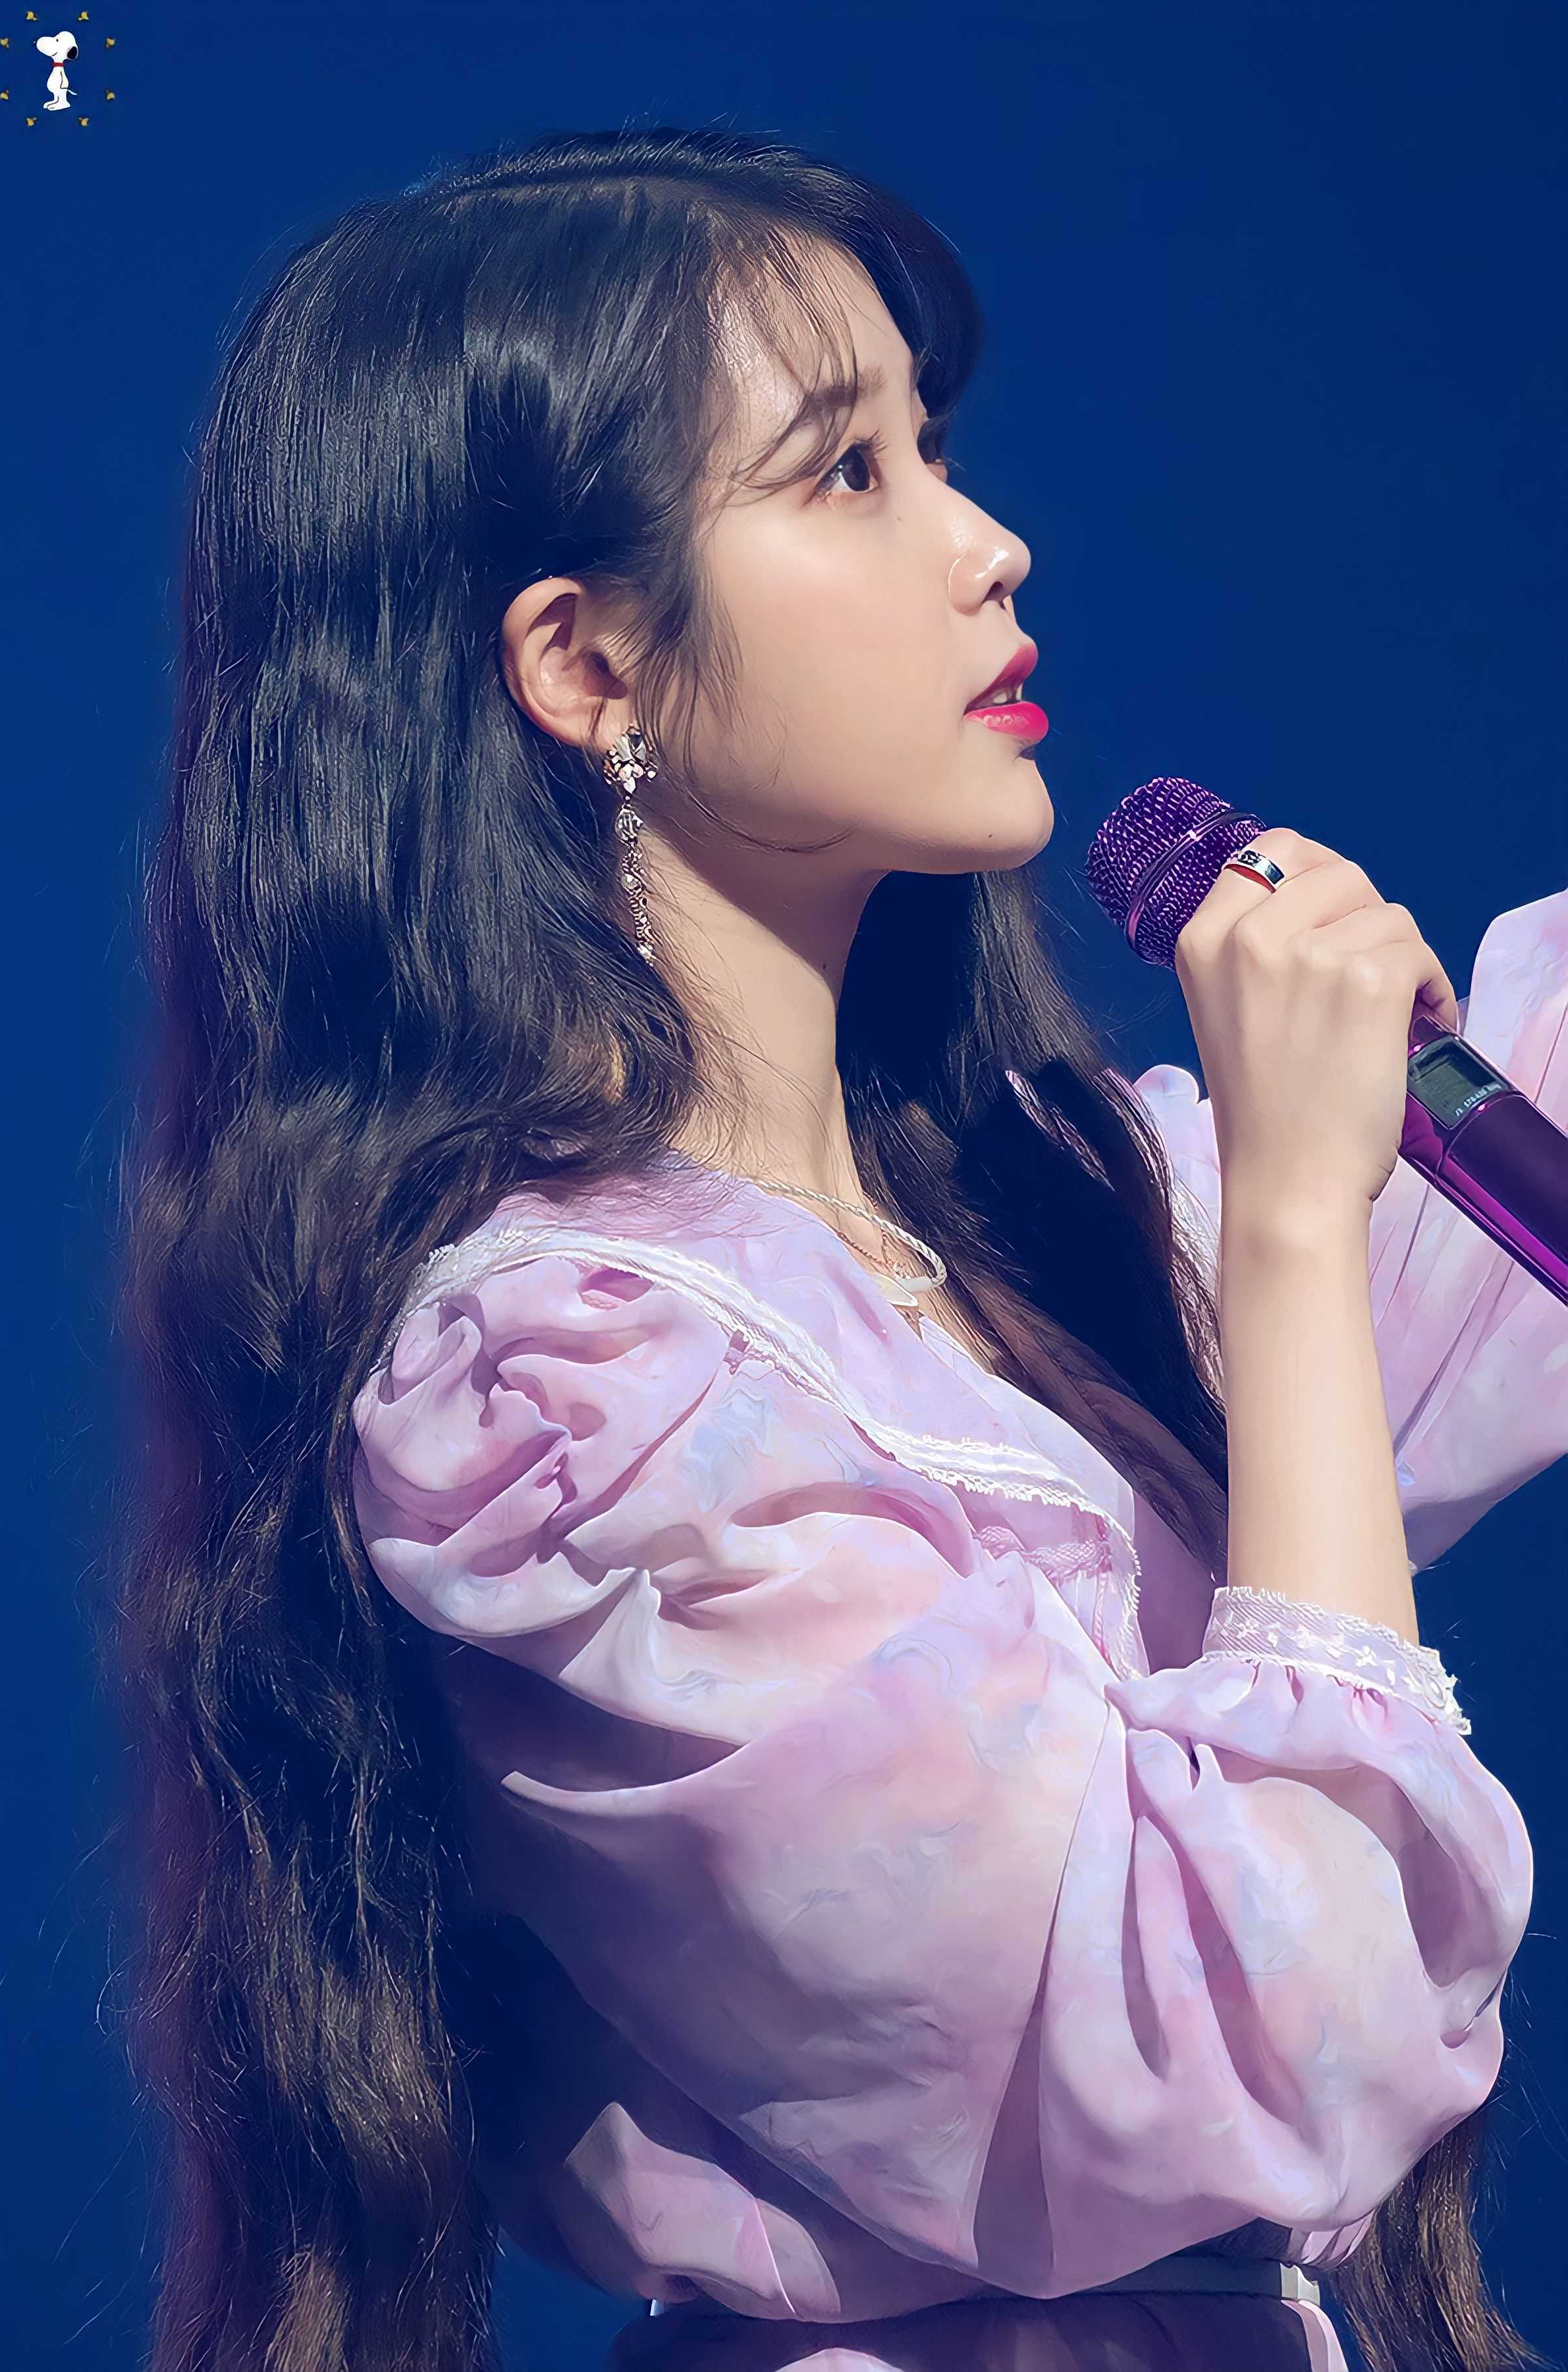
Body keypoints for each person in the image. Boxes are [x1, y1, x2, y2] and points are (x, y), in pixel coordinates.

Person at [114, 128, 1567, 2372]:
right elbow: (1236, 2056)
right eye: (848, 472)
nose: (990, 546)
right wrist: (1295, 1232)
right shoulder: (576, 1388)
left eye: (938, 449)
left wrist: (1314, 1183)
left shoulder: (1062, 1229)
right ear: (587, 662)